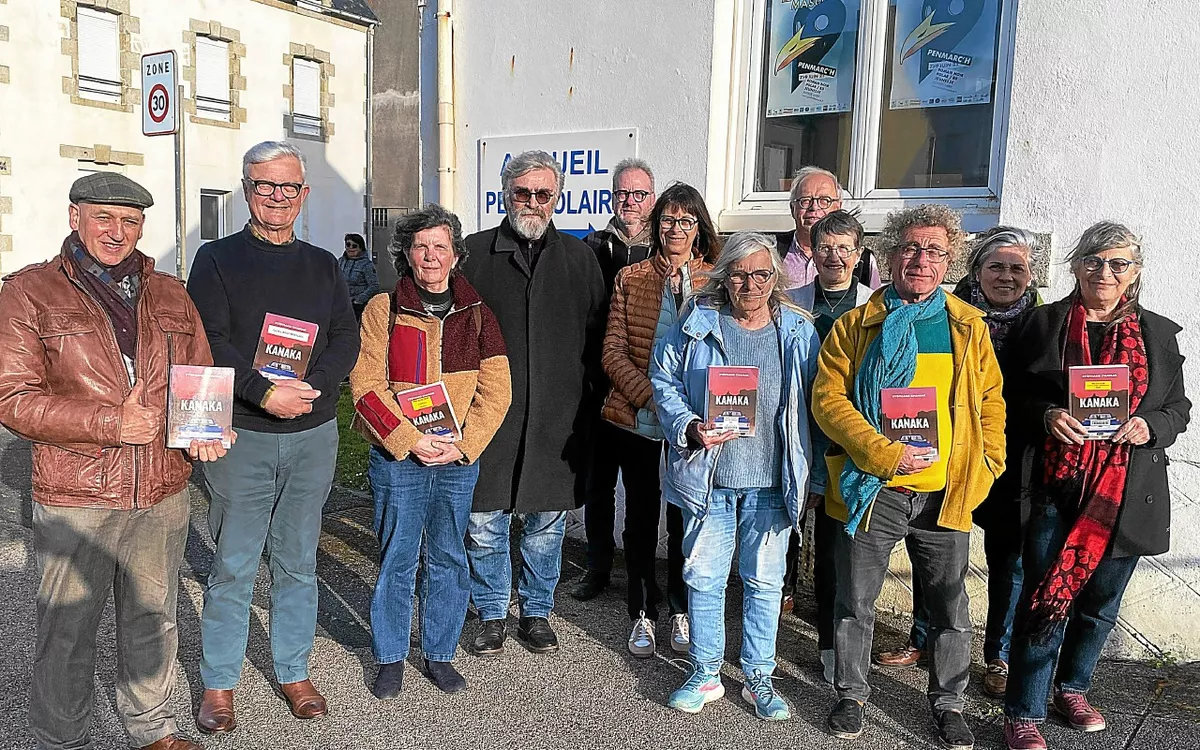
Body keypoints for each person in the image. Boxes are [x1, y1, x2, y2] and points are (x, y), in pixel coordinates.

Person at [0, 173, 230, 750]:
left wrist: (206, 428)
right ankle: (60, 738)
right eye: (103, 217)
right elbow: (11, 397)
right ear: (74, 217)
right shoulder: (29, 292)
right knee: (67, 630)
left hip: (162, 489)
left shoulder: (170, 293)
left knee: (154, 620)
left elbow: (198, 375)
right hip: (77, 493)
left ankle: (151, 727)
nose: (117, 231)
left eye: (130, 221)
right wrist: (109, 423)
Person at [812, 205, 1006, 749]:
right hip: (875, 486)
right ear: (891, 255)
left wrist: (987, 466)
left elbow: (990, 403)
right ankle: (850, 694)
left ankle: (948, 703)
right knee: (855, 601)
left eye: (934, 251)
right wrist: (883, 454)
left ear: (950, 261)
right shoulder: (856, 325)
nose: (921, 260)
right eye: (911, 248)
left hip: (946, 492)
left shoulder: (967, 326)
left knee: (949, 607)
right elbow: (828, 400)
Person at [187, 141, 361, 733]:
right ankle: (219, 682)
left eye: (289, 187)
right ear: (247, 190)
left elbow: (344, 337)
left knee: (298, 560)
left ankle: (293, 669)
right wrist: (264, 393)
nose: (278, 197)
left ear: (303, 194)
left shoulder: (324, 264)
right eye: (266, 185)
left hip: (313, 432)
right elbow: (210, 340)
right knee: (233, 564)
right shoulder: (216, 259)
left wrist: (313, 387)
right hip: (244, 434)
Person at [1001, 222, 1190, 750]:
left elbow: (1178, 408)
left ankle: (1073, 689)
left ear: (1134, 272)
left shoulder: (1158, 334)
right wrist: (1046, 414)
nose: (1104, 272)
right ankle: (1024, 711)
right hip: (1053, 486)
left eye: (1117, 263)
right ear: (1076, 266)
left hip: (1124, 490)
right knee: (1043, 597)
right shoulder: (1042, 324)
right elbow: (1009, 395)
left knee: (1100, 604)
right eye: (1093, 260)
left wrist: (1151, 426)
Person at [651, 231, 821, 721]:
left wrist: (812, 479)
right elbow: (663, 379)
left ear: (776, 277)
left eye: (762, 274)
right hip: (711, 480)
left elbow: (815, 407)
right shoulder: (697, 323)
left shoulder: (797, 331)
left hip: (773, 481)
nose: (751, 285)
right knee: (704, 578)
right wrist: (689, 426)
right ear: (725, 278)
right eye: (741, 275)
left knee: (764, 583)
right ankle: (705, 672)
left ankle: (758, 677)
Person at [350, 204, 511, 699]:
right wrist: (409, 439)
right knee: (397, 558)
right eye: (420, 246)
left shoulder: (478, 314)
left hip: (456, 460)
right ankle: (390, 656)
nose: (430, 255)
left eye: (440, 246)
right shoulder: (384, 309)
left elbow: (497, 391)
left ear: (455, 254)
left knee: (448, 557)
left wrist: (462, 445)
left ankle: (439, 653)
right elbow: (365, 387)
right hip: (400, 458)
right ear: (406, 254)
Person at [880, 227, 1045, 695]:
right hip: (944, 456)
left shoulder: (1042, 323)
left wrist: (992, 457)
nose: (1006, 276)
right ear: (975, 270)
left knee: (1007, 560)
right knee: (929, 550)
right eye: (996, 266)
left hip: (1014, 458)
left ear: (1030, 276)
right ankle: (922, 637)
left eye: (1016, 268)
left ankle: (998, 655)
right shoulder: (947, 313)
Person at [459, 150, 606, 656]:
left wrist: (588, 404)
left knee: (546, 523)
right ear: (506, 194)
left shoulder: (579, 258)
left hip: (558, 418)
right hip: (488, 414)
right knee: (484, 520)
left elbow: (598, 339)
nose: (533, 202)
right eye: (523, 192)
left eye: (544, 193)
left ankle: (537, 611)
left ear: (557, 197)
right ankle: (491, 611)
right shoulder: (473, 254)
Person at [599, 182, 719, 657]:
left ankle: (680, 609)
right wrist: (656, 400)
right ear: (656, 225)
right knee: (641, 519)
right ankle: (643, 613)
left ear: (699, 228)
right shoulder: (630, 278)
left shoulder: (716, 280)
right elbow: (612, 352)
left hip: (694, 427)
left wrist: (689, 413)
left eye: (686, 221)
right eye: (668, 220)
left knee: (685, 518)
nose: (676, 229)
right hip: (639, 420)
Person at [783, 210, 875, 683]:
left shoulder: (874, 306)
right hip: (797, 437)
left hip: (846, 444)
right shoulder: (791, 301)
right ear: (811, 252)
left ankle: (831, 645)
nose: (834, 256)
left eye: (844, 248)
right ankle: (762, 637)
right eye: (825, 247)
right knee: (779, 538)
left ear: (858, 255)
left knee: (837, 553)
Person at [572, 157, 657, 601]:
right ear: (611, 197)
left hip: (643, 388)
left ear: (652, 199)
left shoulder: (662, 251)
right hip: (597, 387)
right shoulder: (590, 247)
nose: (630, 201)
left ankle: (642, 573)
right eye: (622, 193)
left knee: (644, 489)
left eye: (639, 194)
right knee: (598, 485)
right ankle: (597, 567)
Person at [775, 166, 880, 291]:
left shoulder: (863, 260)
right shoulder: (772, 251)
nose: (814, 207)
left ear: (838, 207)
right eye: (805, 200)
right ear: (793, 208)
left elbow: (874, 300)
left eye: (824, 200)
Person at [339, 232, 379, 320]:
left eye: (354, 246)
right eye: (348, 245)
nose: (350, 248)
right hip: (342, 304)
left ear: (360, 248)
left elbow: (374, 286)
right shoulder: (340, 262)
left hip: (358, 307)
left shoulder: (367, 265)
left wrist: (358, 300)